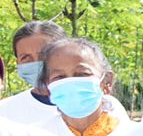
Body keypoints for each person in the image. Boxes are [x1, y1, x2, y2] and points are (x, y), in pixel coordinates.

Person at [1, 21, 130, 127]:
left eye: (44, 54)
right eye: (26, 57)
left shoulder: (106, 107)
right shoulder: (5, 111)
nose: (37, 63)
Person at [35, 36, 129, 136]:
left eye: (82, 74)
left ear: (106, 82)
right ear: (48, 87)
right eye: (59, 77)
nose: (71, 82)